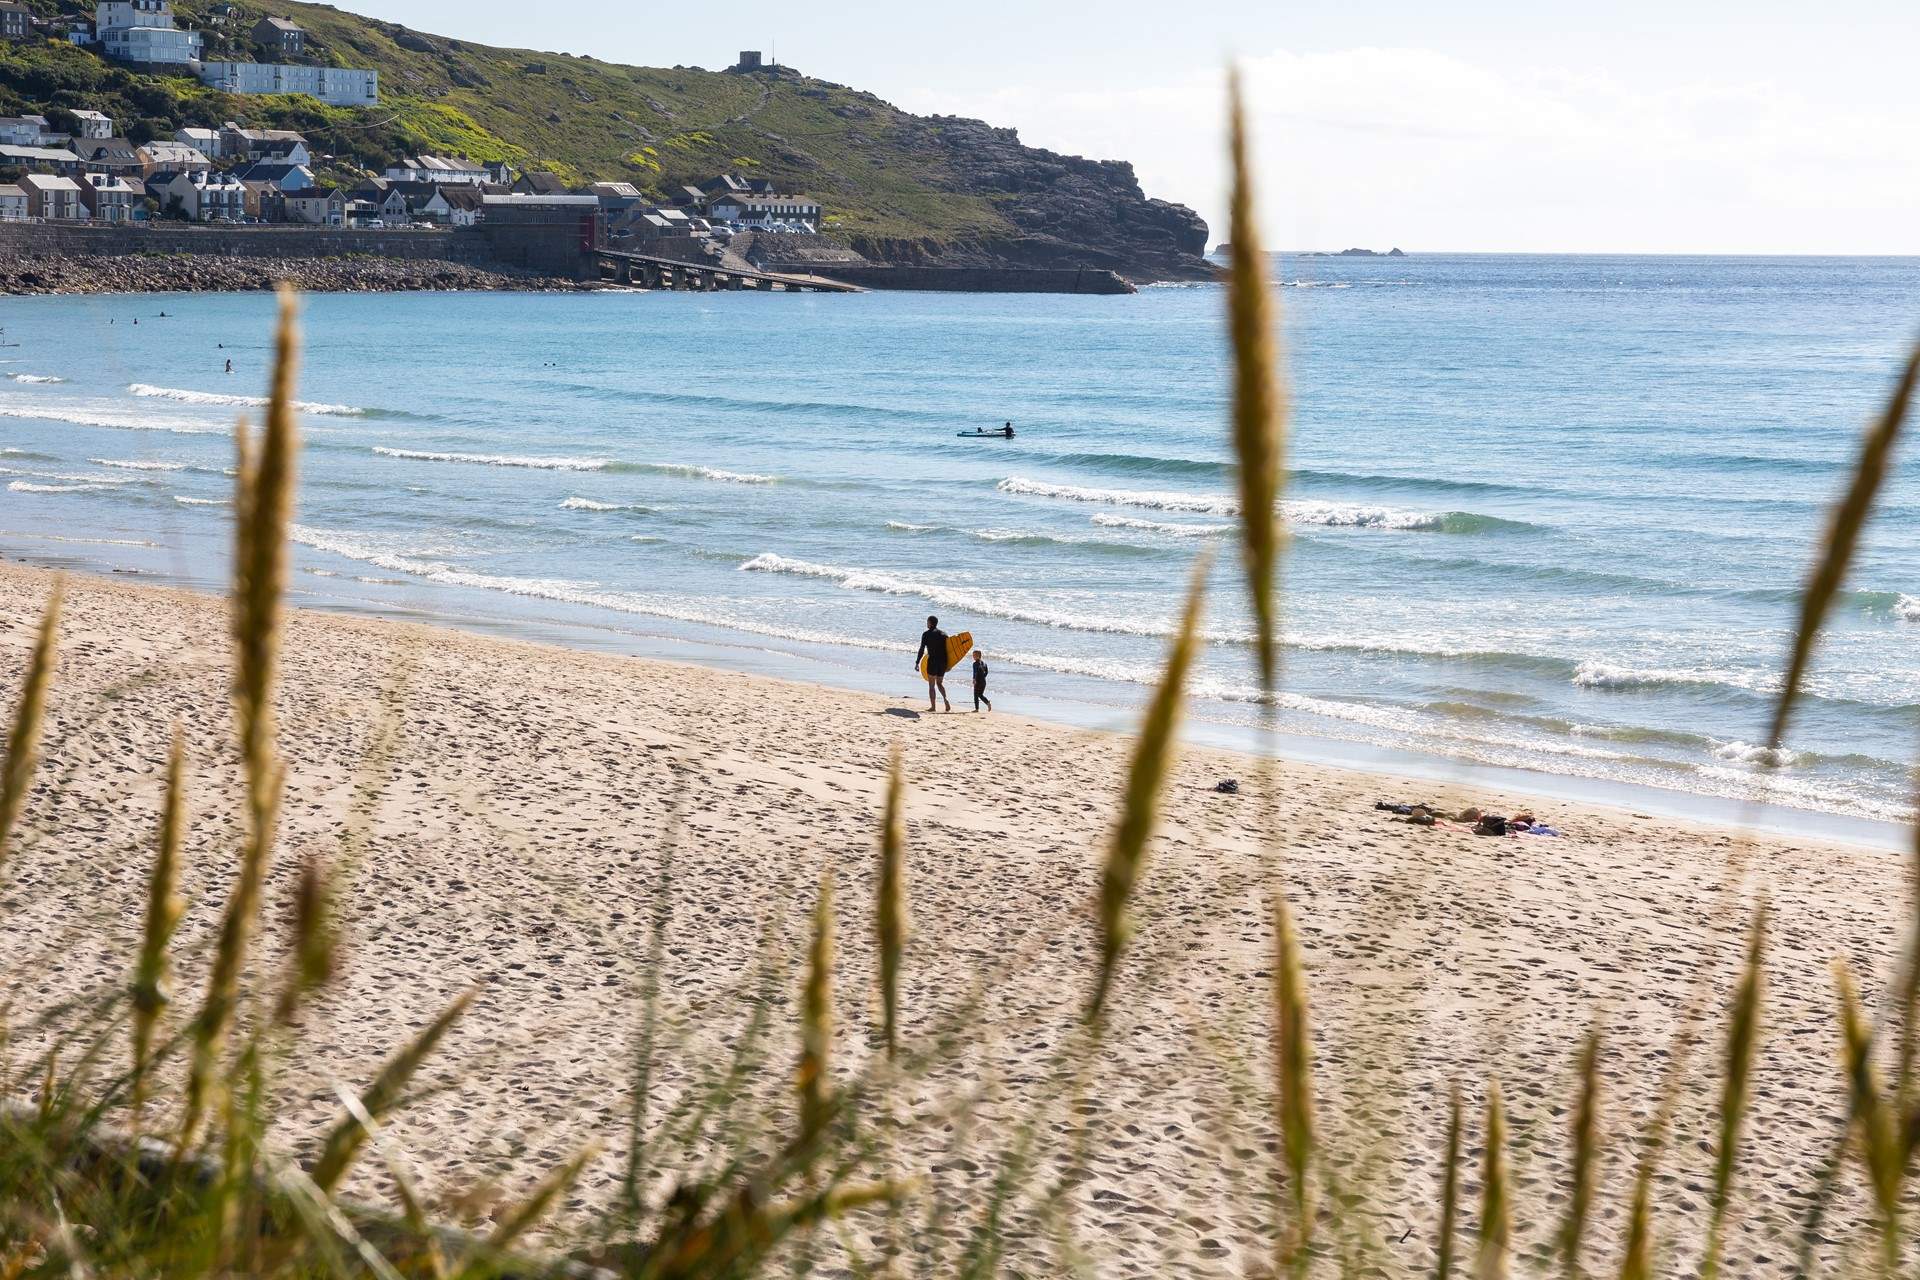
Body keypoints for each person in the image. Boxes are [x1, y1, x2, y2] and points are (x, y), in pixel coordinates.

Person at [913, 614, 953, 713]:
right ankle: (945, 699)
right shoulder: (944, 634)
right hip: (943, 662)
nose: (927, 623)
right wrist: (949, 664)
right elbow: (949, 650)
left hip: (933, 661)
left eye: (927, 622)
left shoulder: (926, 634)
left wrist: (917, 662)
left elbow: (922, 649)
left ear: (930, 623)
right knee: (939, 683)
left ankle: (933, 707)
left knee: (931, 685)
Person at [971, 648, 991, 712]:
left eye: (974, 655)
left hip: (978, 681)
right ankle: (988, 703)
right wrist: (983, 677)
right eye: (973, 655)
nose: (973, 656)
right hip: (983, 682)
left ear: (978, 656)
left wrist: (974, 679)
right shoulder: (984, 663)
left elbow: (975, 672)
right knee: (980, 694)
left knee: (976, 695)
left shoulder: (975, 664)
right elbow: (987, 672)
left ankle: (977, 709)